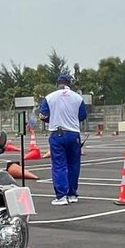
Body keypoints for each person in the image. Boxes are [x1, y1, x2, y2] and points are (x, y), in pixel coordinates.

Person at [39, 74, 87, 205]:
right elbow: (82, 115)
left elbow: (42, 115)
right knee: (74, 164)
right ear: (69, 84)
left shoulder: (50, 97)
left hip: (57, 133)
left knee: (59, 165)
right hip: (73, 133)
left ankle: (61, 196)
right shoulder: (77, 97)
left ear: (57, 84)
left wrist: (52, 118)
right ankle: (72, 194)